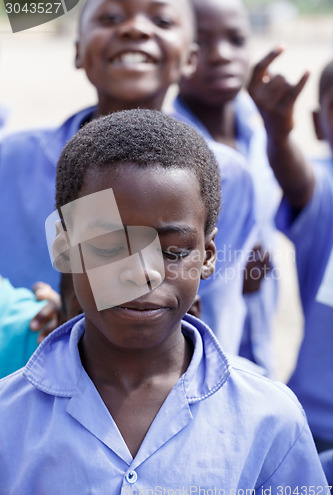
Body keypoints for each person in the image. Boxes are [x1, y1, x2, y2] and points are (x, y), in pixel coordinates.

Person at [0, 110, 328, 495]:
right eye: (109, 246)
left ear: (207, 256)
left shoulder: (270, 418)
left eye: (173, 252)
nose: (143, 273)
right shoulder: (9, 419)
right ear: (65, 247)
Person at [0, 0, 256, 354]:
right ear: (77, 51)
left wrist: (83, 318)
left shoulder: (226, 173)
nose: (134, 29)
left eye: (162, 19)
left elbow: (203, 305)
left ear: (190, 59)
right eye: (110, 17)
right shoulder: (10, 158)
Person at [171, 0, 280, 375]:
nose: (221, 55)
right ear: (180, 53)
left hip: (255, 336)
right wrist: (232, 272)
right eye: (202, 43)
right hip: (197, 358)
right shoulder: (168, 156)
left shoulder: (258, 128)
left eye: (236, 40)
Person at [249, 53, 333, 451]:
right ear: (319, 123)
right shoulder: (326, 189)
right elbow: (299, 181)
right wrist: (278, 134)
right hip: (318, 430)